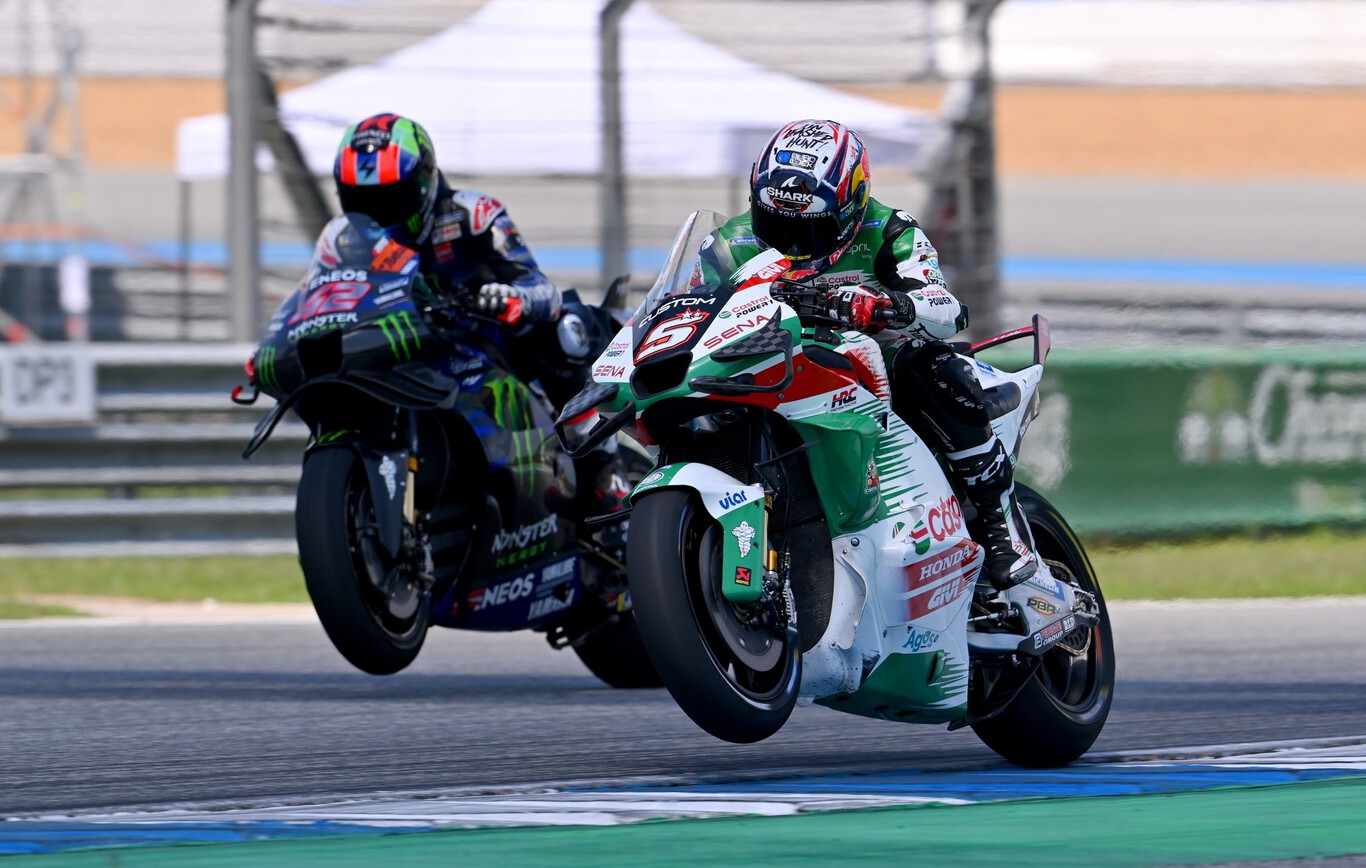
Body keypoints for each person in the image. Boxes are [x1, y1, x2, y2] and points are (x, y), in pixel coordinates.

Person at [697, 118, 1072, 639]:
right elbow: (694, 307)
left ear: (851, 206)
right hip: (774, 367)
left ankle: (1001, 528)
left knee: (929, 366)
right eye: (774, 223)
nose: (788, 243)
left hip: (880, 373)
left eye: (808, 229)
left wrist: (885, 305)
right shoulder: (727, 243)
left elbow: (947, 308)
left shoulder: (890, 230)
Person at [333, 112, 629, 538]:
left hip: (491, 343)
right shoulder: (347, 243)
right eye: (362, 201)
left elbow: (540, 288)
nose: (377, 214)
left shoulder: (472, 214)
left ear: (424, 181)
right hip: (410, 351)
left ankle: (605, 472)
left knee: (567, 326)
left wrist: (511, 298)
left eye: (390, 197)